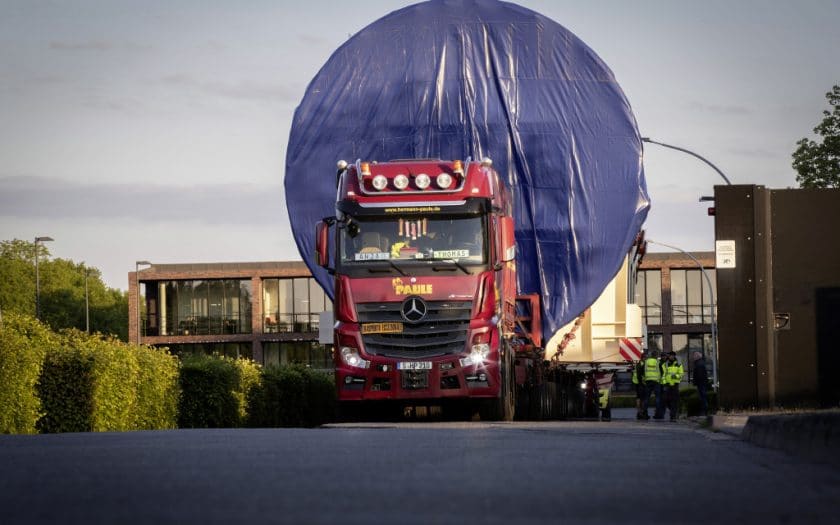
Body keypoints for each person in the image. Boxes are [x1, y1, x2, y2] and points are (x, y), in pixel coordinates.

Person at [661, 352, 684, 421]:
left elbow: (681, 374)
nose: (670, 357)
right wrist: (664, 384)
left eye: (671, 356)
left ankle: (673, 416)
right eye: (669, 356)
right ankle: (673, 412)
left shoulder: (678, 364)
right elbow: (663, 375)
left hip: (675, 385)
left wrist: (675, 376)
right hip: (667, 385)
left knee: (674, 401)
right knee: (666, 400)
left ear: (674, 356)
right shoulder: (665, 364)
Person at [640, 351, 661, 420]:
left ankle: (645, 413)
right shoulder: (657, 362)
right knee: (657, 397)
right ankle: (658, 413)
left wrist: (645, 379)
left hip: (648, 381)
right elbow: (659, 371)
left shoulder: (647, 361)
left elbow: (644, 370)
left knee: (647, 398)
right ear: (655, 356)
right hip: (656, 381)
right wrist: (659, 379)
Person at [692, 351, 709, 416]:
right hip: (702, 383)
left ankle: (704, 412)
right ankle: (704, 411)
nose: (693, 357)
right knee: (703, 397)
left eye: (694, 355)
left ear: (697, 356)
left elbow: (699, 375)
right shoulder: (700, 363)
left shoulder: (699, 364)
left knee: (702, 397)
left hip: (701, 384)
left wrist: (696, 383)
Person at [632, 353, 647, 419]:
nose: (646, 359)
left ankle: (640, 412)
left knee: (639, 398)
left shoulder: (637, 364)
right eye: (645, 358)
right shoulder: (641, 365)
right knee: (642, 399)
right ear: (642, 358)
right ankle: (641, 413)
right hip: (640, 384)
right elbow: (639, 375)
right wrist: (642, 383)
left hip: (637, 383)